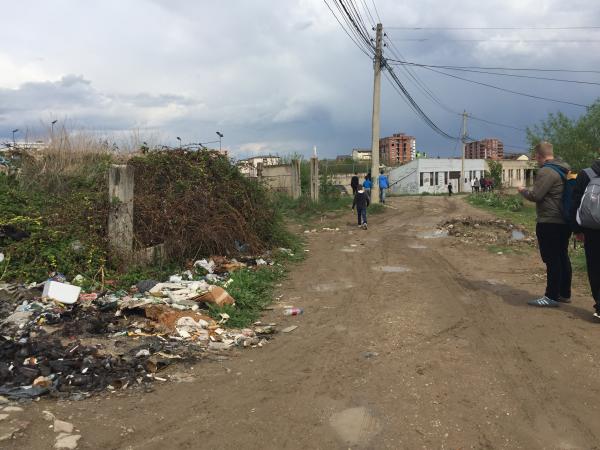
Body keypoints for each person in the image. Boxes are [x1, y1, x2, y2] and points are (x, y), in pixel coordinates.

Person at [518, 141, 572, 307]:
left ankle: (551, 296)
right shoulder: (564, 168)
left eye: (536, 157)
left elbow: (536, 195)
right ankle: (564, 293)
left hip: (550, 221)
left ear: (539, 156)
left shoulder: (546, 171)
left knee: (552, 259)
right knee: (562, 256)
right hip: (564, 221)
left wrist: (522, 191)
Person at [570, 152, 600, 321]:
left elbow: (575, 203)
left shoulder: (586, 174)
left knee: (595, 267)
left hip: (591, 230)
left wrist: (577, 230)